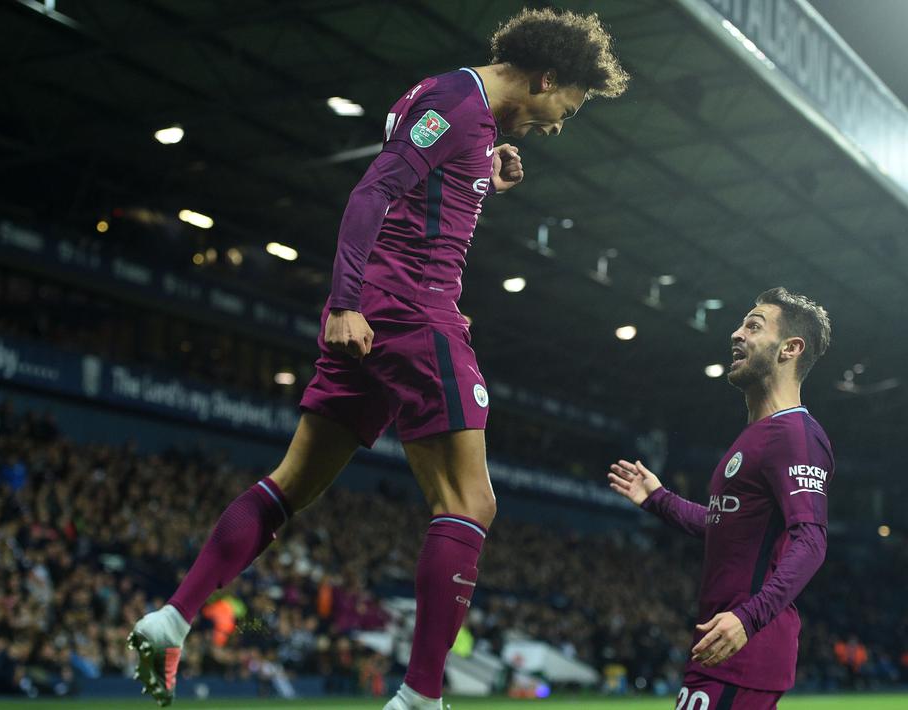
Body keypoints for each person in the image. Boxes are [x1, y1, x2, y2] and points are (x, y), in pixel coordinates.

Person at [127, 8, 628, 708]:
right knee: (469, 501)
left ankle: (173, 615)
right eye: (565, 108)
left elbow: (425, 195)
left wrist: (487, 174)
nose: (555, 124)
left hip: (385, 312)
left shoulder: (455, 107)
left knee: (291, 486)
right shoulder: (457, 104)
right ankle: (421, 698)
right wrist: (342, 303)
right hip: (407, 310)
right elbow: (373, 192)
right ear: (546, 77)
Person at [608, 288, 834, 710]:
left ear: (791, 348)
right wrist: (657, 498)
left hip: (744, 653)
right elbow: (723, 523)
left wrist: (748, 619)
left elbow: (811, 541)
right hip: (722, 652)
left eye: (753, 326)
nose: (736, 334)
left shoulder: (795, 436)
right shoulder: (755, 437)